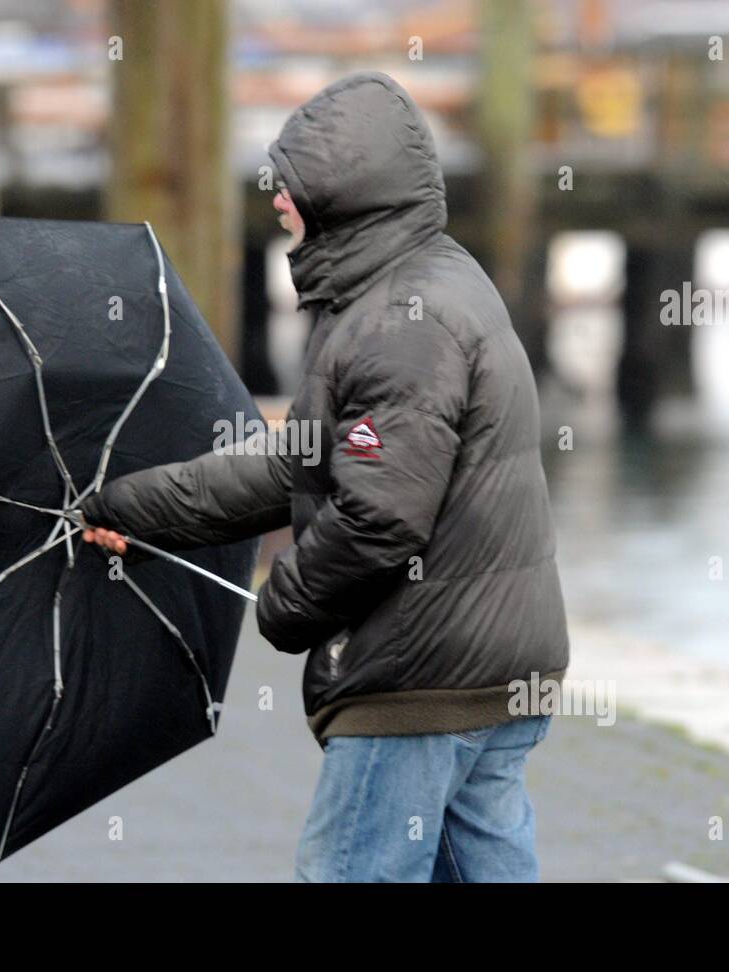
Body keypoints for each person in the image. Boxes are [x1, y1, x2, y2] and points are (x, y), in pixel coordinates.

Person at [81, 71, 569, 882]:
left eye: (291, 184)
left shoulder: (397, 325)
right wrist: (134, 509)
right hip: (490, 665)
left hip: (420, 679)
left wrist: (286, 602)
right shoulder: (416, 285)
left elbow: (380, 518)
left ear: (344, 195)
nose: (276, 199)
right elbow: (296, 465)